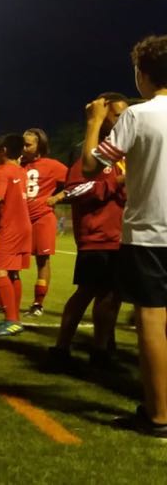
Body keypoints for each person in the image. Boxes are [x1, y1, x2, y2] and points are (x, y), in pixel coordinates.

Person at [83, 34, 167, 436]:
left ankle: (159, 414)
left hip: (150, 232)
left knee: (150, 317)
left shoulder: (138, 115)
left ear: (142, 73)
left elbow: (91, 166)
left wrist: (93, 123)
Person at [50, 93, 129, 368]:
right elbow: (74, 191)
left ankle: (101, 349)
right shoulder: (89, 155)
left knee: (112, 295)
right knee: (86, 292)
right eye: (117, 115)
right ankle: (61, 348)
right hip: (96, 236)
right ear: (102, 118)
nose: (123, 120)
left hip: (120, 235)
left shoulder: (124, 155)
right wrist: (118, 181)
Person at [0, 134, 31, 337]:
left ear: (2, 150)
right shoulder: (21, 171)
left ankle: (12, 320)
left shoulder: (3, 170)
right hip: (23, 225)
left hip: (9, 227)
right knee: (13, 272)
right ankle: (13, 317)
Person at [21, 128, 68, 316]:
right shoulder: (18, 165)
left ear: (39, 146)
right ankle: (3, 300)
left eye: (28, 145)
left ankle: (38, 303)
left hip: (42, 217)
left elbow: (76, 181)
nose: (23, 148)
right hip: (20, 220)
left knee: (42, 260)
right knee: (13, 260)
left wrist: (58, 197)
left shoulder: (53, 165)